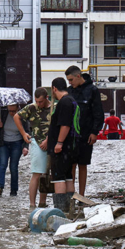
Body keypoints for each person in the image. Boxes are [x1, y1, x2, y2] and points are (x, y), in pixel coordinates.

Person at [65, 66, 104, 197]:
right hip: (71, 135)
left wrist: (95, 132)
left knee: (83, 164)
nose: (70, 83)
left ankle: (81, 195)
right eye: (68, 80)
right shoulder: (69, 91)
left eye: (71, 79)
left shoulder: (93, 90)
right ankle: (71, 194)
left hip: (87, 134)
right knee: (71, 165)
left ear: (78, 76)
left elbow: (98, 112)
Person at [14, 87, 52, 209]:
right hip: (36, 141)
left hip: (50, 143)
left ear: (46, 98)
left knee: (46, 173)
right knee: (36, 172)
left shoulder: (53, 108)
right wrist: (24, 134)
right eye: (37, 101)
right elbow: (17, 117)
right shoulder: (32, 107)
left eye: (41, 102)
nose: (39, 104)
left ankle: (42, 202)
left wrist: (48, 140)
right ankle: (32, 203)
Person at [47, 77, 78, 211]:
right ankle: (70, 208)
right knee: (68, 176)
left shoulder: (64, 102)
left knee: (59, 178)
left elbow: (64, 125)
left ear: (54, 88)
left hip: (62, 147)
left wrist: (59, 143)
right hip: (70, 146)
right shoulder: (71, 100)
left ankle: (61, 210)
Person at [0, 104, 29, 197]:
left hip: (17, 144)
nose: (11, 113)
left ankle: (14, 190)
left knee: (13, 167)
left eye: (14, 111)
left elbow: (27, 131)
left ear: (18, 108)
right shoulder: (3, 113)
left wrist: (26, 146)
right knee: (2, 164)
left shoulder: (23, 115)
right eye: (10, 111)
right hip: (3, 143)